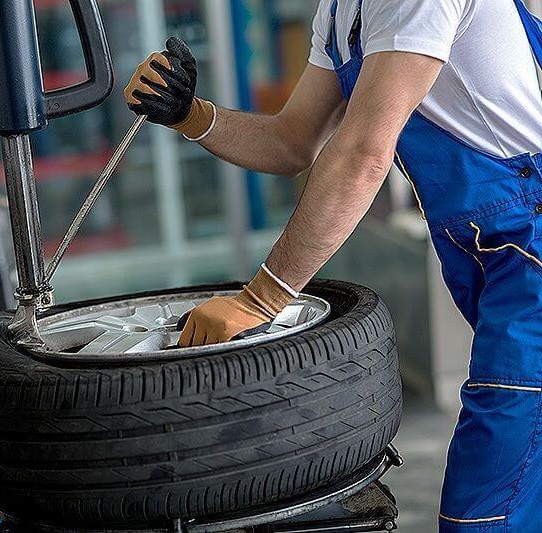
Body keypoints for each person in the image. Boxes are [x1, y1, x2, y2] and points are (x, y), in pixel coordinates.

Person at [124, 0, 542, 531]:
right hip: (494, 255)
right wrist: (191, 115)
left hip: (529, 248)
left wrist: (261, 299)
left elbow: (364, 153)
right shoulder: (342, 12)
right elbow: (292, 142)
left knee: (486, 511)